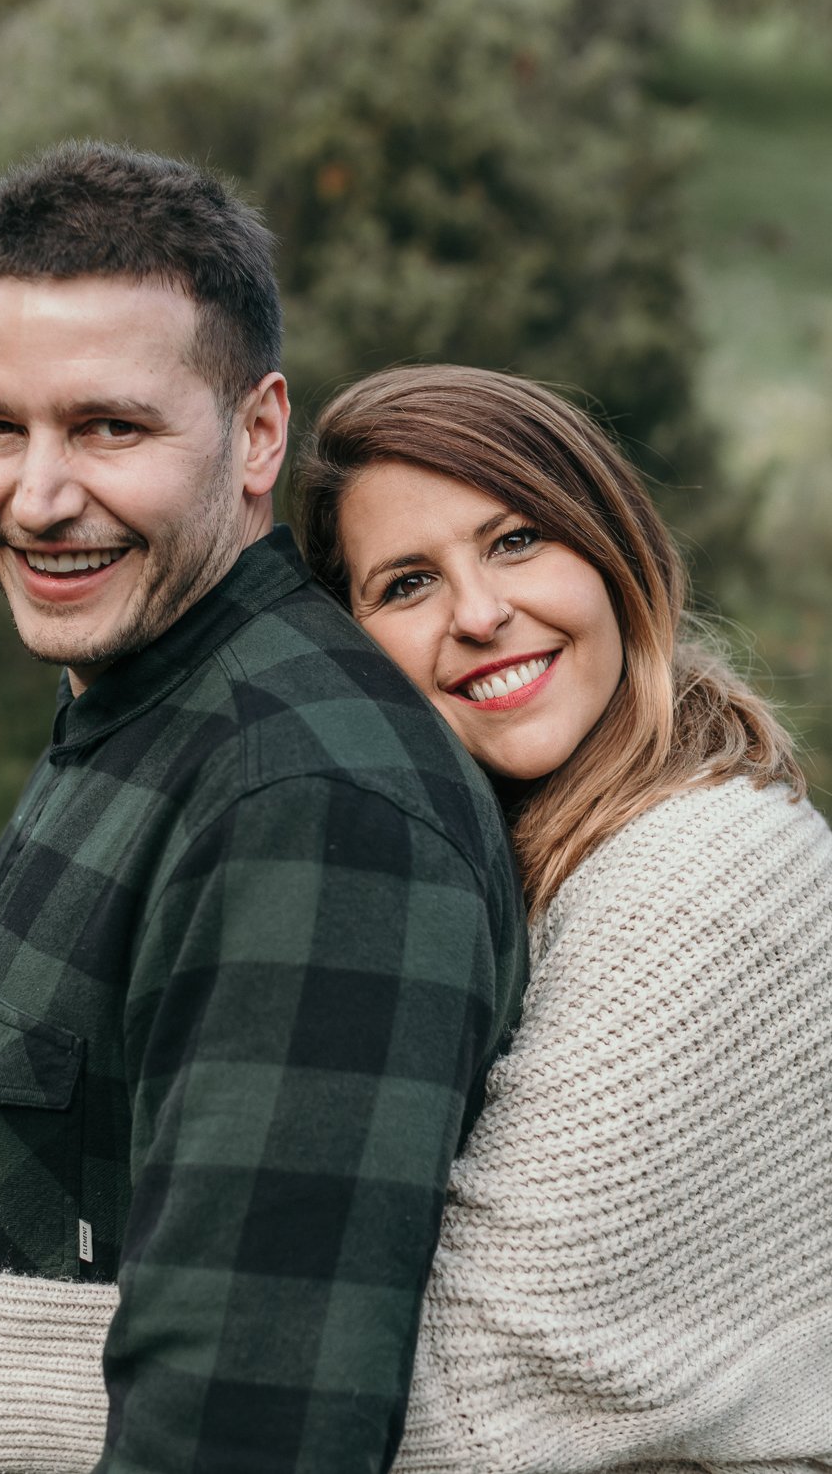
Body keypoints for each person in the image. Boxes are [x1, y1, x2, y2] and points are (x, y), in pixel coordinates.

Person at [0, 154, 528, 1474]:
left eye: (109, 428)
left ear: (259, 433)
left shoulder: (312, 810)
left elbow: (250, 1430)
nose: (35, 497)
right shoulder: (148, 689)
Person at [293, 364, 832, 1470]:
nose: (481, 615)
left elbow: (467, 1397)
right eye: (405, 585)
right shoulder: (505, 876)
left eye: (516, 540)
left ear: (611, 547)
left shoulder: (702, 870)